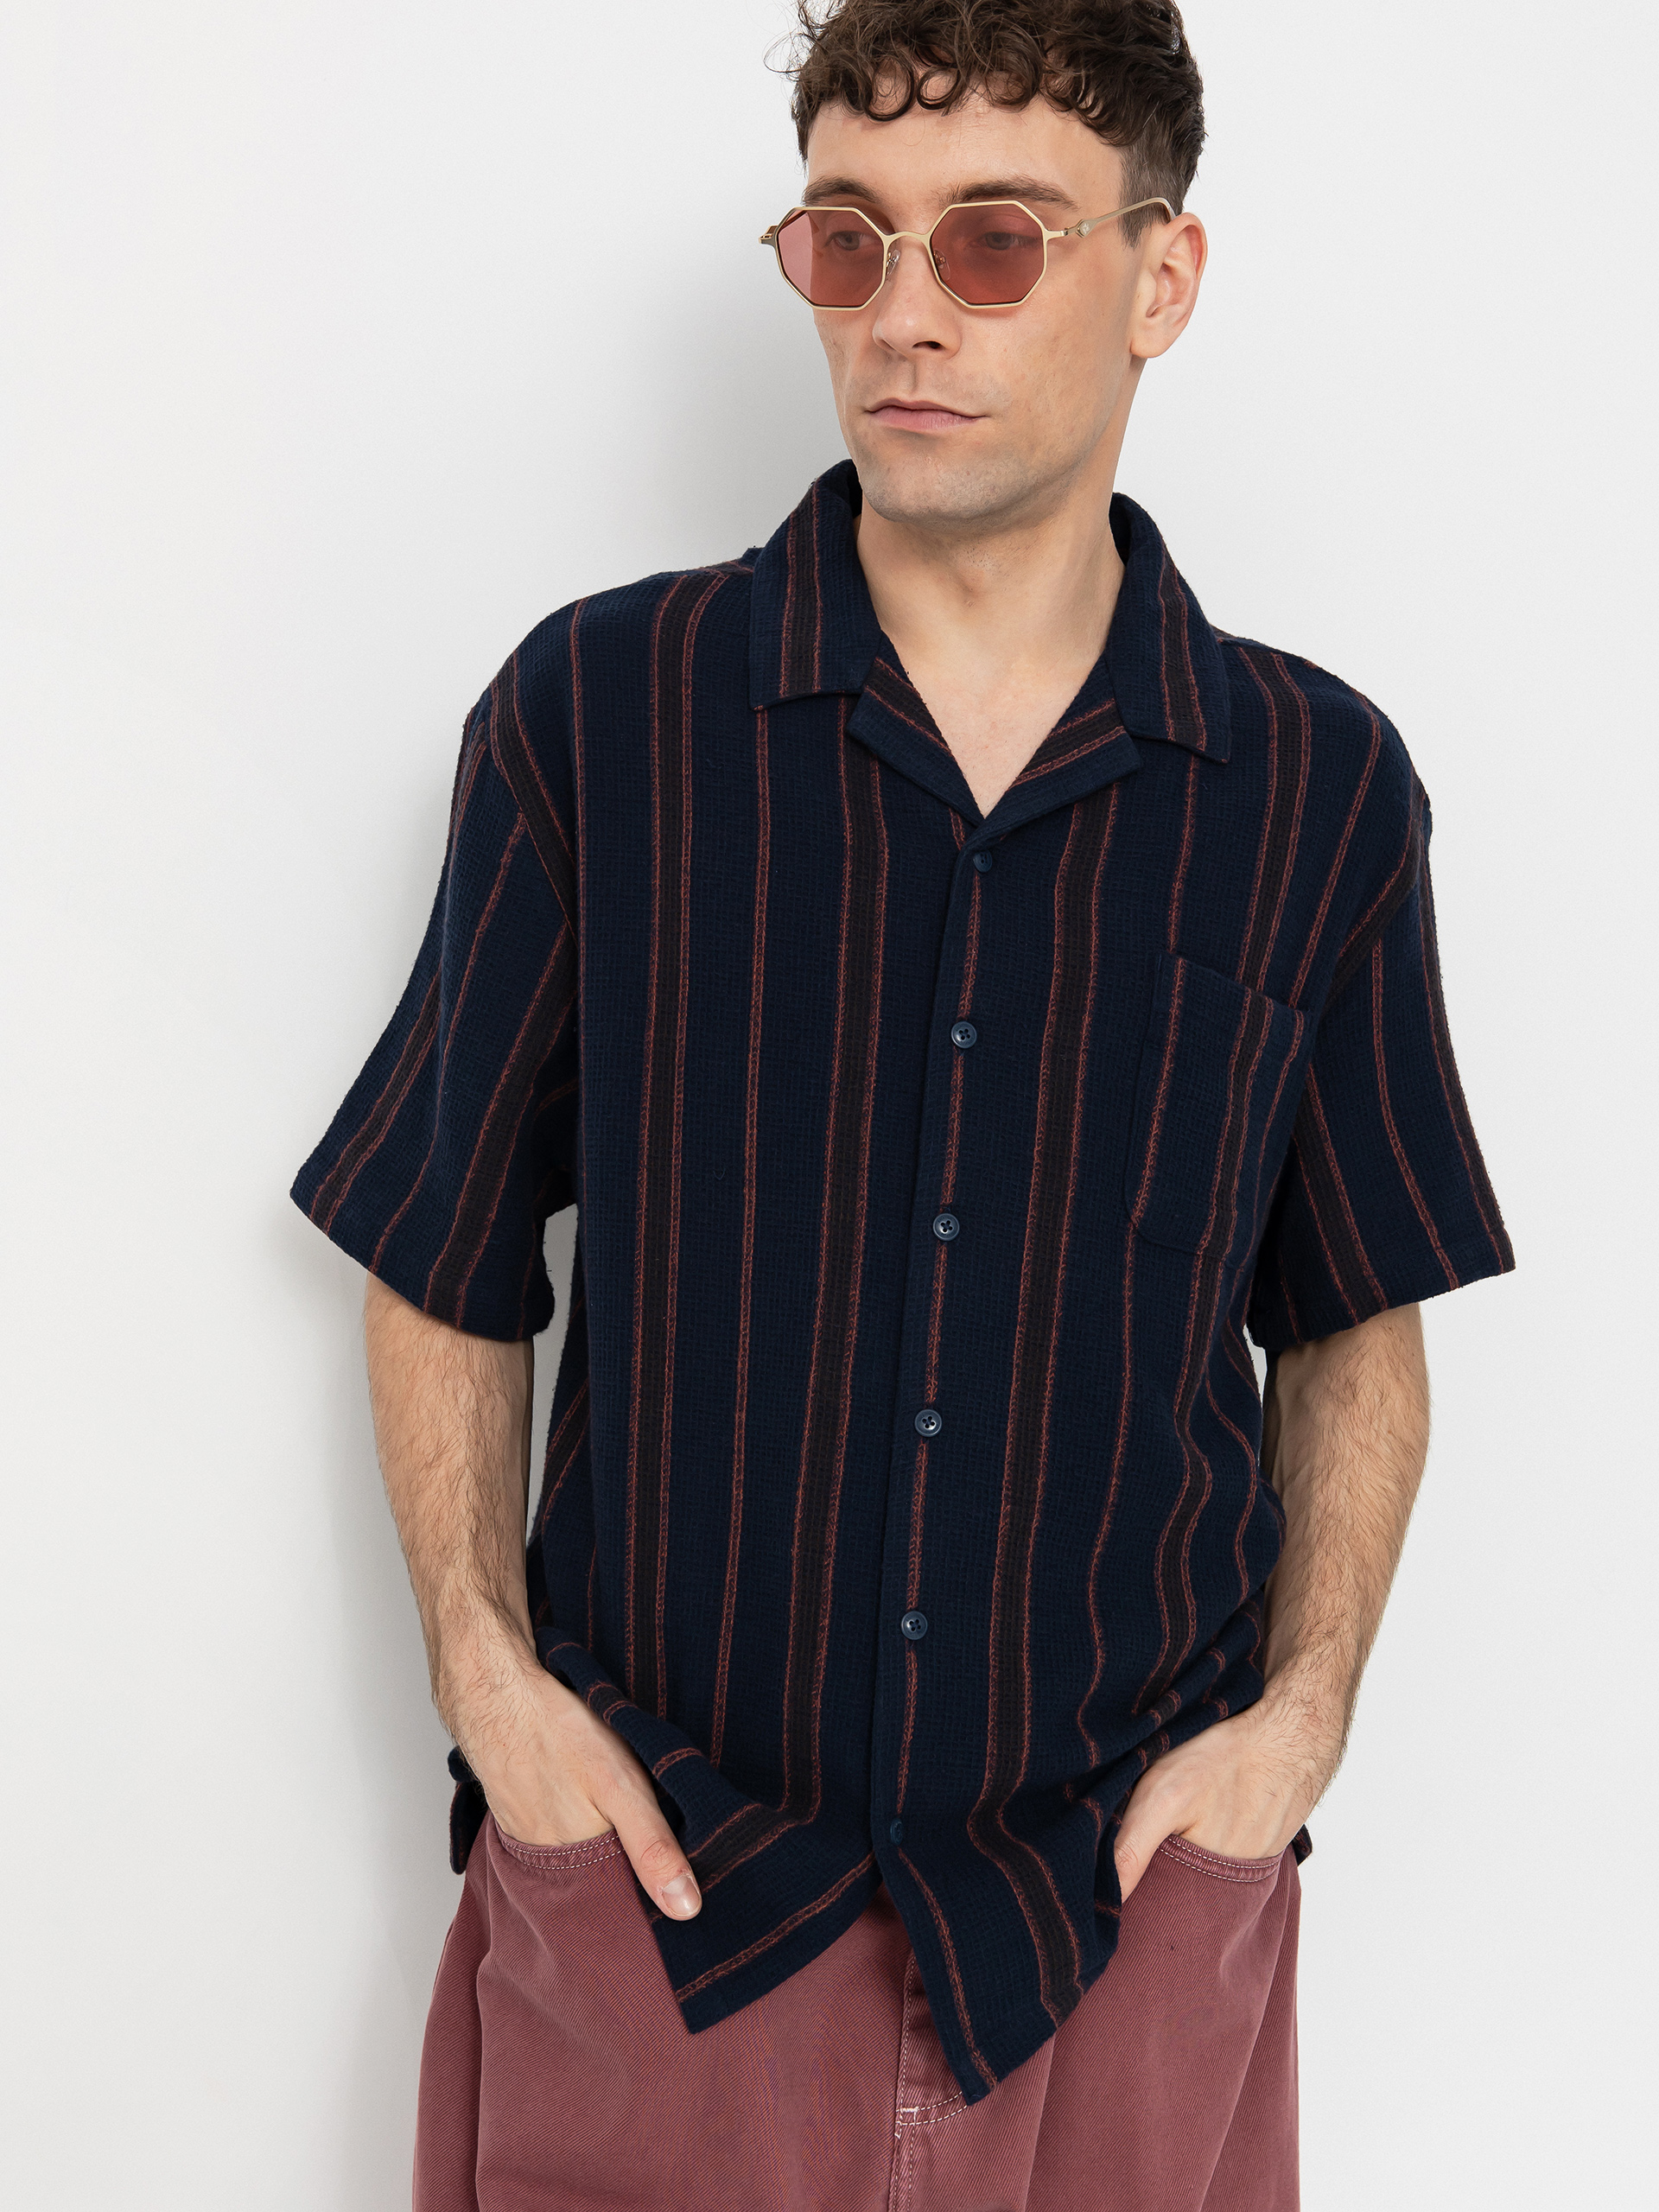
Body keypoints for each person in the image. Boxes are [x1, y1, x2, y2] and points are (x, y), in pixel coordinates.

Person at [291, 3, 1514, 2204]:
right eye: (849, 241)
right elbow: (443, 1243)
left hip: (1114, 1927)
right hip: (673, 1909)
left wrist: (1299, 1725)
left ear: (1162, 277)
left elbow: (1355, 1315)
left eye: (994, 242)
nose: (904, 316)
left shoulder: (1318, 791)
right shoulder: (599, 718)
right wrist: (489, 1688)